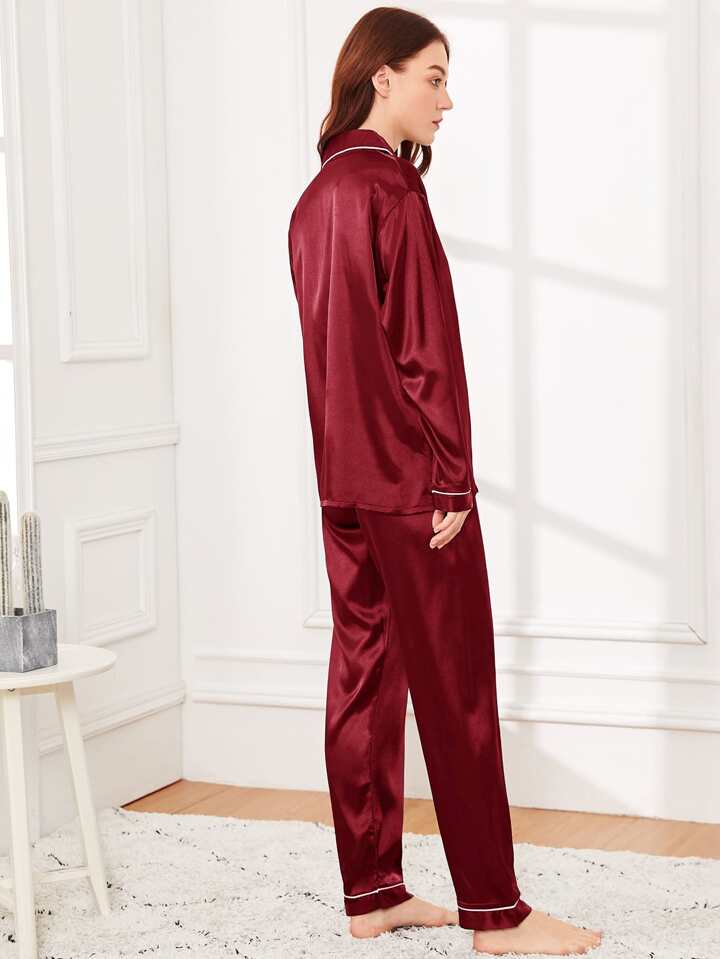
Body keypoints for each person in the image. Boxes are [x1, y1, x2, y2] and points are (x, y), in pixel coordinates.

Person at [287, 7, 603, 956]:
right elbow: (425, 352)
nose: (446, 98)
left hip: (343, 482)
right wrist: (453, 481)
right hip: (413, 485)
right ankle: (498, 915)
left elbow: (334, 356)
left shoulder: (314, 198)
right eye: (433, 76)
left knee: (362, 674)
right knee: (456, 690)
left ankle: (372, 891)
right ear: (380, 76)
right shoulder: (389, 189)